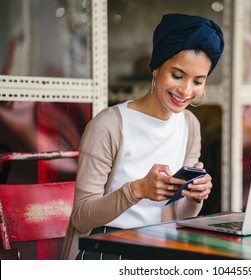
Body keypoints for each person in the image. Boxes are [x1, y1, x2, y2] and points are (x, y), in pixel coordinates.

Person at [61, 13, 224, 260]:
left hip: (161, 244)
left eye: (198, 81)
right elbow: (81, 217)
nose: (186, 91)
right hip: (105, 247)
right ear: (156, 68)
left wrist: (194, 197)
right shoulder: (109, 124)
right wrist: (137, 190)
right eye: (177, 75)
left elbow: (182, 216)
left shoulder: (190, 125)